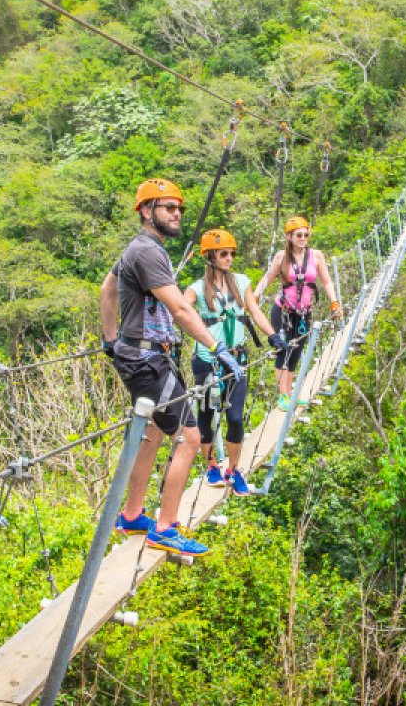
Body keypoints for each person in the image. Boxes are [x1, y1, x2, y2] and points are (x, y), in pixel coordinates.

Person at [100, 178, 244, 557]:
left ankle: (132, 515)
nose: (177, 214)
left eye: (178, 208)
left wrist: (111, 339)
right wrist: (218, 347)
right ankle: (165, 527)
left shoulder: (141, 249)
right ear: (146, 212)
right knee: (191, 438)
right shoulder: (147, 252)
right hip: (149, 361)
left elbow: (107, 288)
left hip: (141, 356)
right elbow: (180, 309)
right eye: (167, 207)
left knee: (152, 432)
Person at [184, 229, 286, 497]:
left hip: (237, 360)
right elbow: (181, 311)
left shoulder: (241, 282)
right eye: (223, 254)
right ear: (209, 257)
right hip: (207, 360)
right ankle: (211, 466)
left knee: (235, 418)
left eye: (231, 253)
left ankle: (234, 469)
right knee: (206, 415)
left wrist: (272, 335)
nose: (229, 258)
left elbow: (254, 310)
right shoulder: (195, 289)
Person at [254, 216, 342, 410]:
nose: (303, 238)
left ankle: (290, 393)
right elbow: (266, 279)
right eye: (299, 235)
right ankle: (283, 395)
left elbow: (326, 281)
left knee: (296, 352)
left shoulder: (316, 256)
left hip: (304, 313)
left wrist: (334, 302)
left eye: (306, 234)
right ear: (289, 237)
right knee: (282, 349)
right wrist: (255, 296)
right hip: (283, 310)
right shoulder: (281, 257)